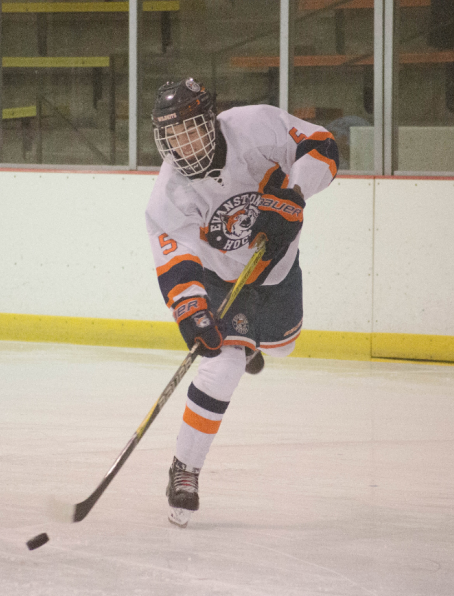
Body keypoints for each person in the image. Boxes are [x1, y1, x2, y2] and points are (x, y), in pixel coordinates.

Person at [145, 78, 340, 528]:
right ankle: (185, 468)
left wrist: (293, 196)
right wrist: (192, 311)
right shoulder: (168, 193)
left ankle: (254, 343)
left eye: (190, 129)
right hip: (220, 279)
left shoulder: (255, 125)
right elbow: (177, 266)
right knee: (223, 361)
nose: (182, 143)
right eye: (171, 136)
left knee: (283, 346)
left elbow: (323, 146)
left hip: (277, 269)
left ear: (210, 121)